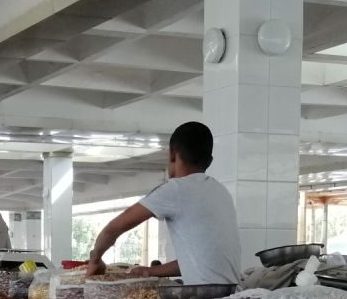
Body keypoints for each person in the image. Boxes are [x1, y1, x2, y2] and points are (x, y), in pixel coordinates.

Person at [86, 121, 241, 285]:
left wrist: (95, 259)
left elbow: (114, 228)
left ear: (172, 154)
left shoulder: (176, 189)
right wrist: (150, 271)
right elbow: (201, 262)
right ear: (209, 161)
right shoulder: (221, 192)